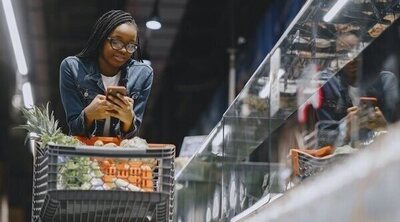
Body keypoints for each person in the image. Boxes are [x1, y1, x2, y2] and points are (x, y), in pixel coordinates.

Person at [60, 10, 153, 139]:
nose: (123, 50)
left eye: (131, 46)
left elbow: (131, 136)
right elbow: (75, 129)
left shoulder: (142, 74)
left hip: (120, 155)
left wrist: (128, 119)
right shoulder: (72, 67)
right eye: (116, 42)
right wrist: (89, 114)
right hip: (83, 154)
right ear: (101, 38)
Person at [316, 56, 399, 146]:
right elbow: (322, 139)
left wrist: (385, 128)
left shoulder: (386, 81)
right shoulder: (328, 84)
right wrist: (345, 130)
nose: (352, 59)